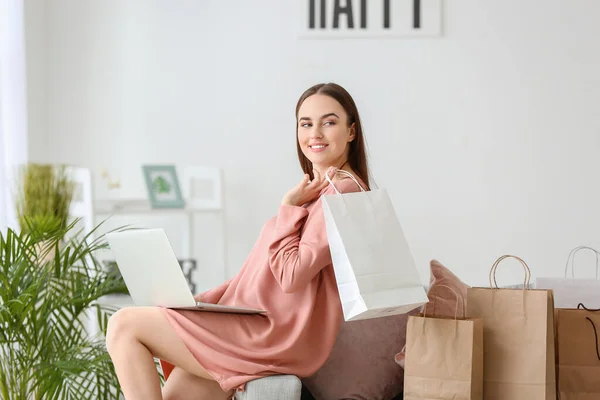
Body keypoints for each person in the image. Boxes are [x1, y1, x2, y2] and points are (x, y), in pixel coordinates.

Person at [105, 82, 371, 400]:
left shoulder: (343, 192)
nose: (315, 133)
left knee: (124, 325)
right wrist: (202, 303)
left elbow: (291, 275)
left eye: (328, 122)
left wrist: (287, 208)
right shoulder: (316, 192)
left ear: (351, 131)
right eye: (305, 123)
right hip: (256, 324)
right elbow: (259, 275)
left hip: (276, 335)